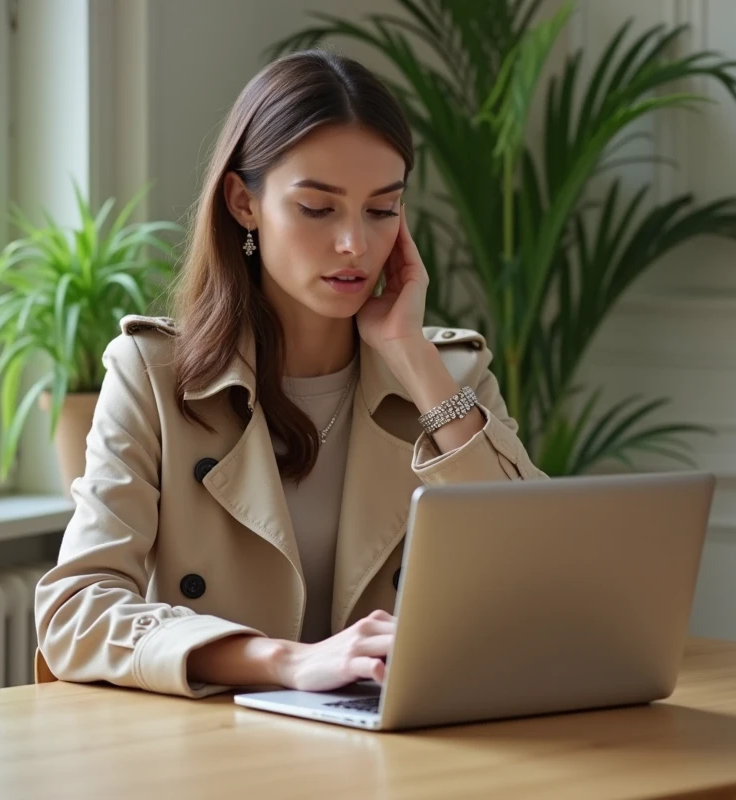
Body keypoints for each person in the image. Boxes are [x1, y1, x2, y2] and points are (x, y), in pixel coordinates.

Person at [33, 49, 547, 700]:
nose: (354, 245)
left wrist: (413, 357)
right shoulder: (154, 376)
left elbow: (539, 578)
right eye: (317, 208)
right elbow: (76, 610)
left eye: (382, 209)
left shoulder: (450, 377)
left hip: (409, 752)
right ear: (244, 202)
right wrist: (286, 661)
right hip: (215, 748)